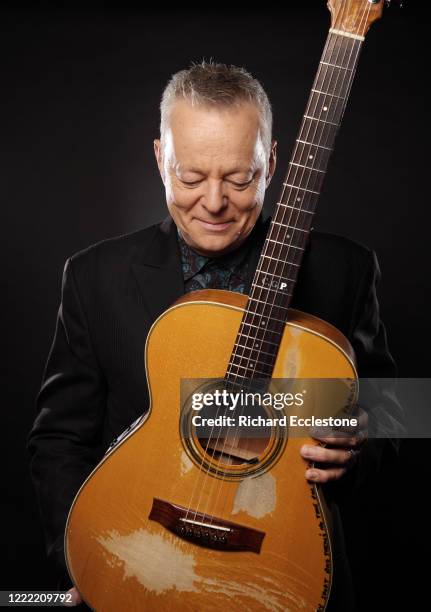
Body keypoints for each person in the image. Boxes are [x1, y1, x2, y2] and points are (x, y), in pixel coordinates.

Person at [27, 60, 401, 610]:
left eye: (239, 177)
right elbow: (58, 439)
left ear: (270, 164)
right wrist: (88, 549)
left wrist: (359, 439)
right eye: (191, 176)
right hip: (142, 557)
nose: (214, 202)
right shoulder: (93, 277)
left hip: (282, 570)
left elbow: (399, 407)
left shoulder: (345, 271)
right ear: (160, 159)